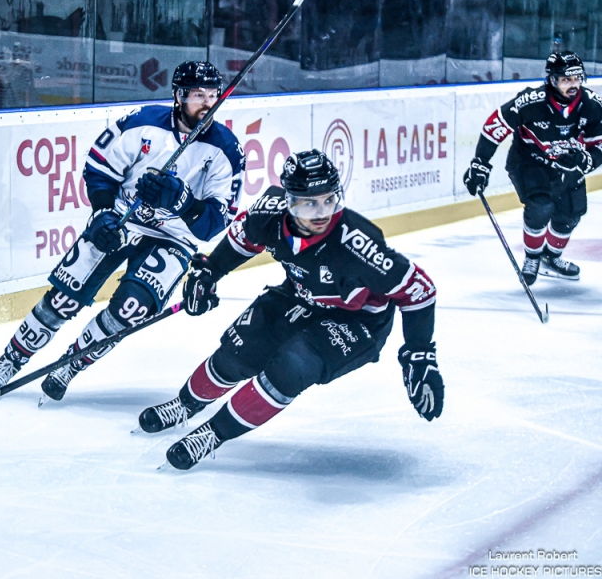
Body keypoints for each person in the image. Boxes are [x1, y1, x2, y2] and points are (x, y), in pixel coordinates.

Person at [137, 149, 442, 470]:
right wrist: (210, 270)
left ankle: (212, 434)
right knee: (238, 351)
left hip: (359, 320)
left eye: (328, 200)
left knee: (293, 366)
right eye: (308, 203)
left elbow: (419, 290)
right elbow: (243, 241)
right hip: (300, 295)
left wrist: (419, 353)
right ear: (289, 200)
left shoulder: (358, 243)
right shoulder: (269, 212)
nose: (321, 213)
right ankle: (183, 405)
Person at [0, 61, 245, 405]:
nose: (208, 103)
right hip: (121, 218)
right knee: (64, 296)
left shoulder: (227, 149)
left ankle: (70, 365)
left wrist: (183, 201)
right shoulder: (142, 122)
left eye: (212, 95)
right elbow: (99, 169)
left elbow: (214, 224)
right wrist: (102, 212)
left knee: (133, 307)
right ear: (179, 97)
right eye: (197, 95)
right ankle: (9, 361)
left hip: (174, 237)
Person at [463, 51, 602, 285]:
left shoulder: (591, 105)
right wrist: (480, 164)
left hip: (565, 167)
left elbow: (599, 144)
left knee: (571, 212)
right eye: (566, 79)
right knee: (540, 206)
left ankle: (551, 257)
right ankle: (533, 257)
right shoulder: (531, 101)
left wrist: (585, 161)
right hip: (528, 161)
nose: (573, 85)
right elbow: (494, 127)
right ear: (552, 80)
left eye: (577, 78)